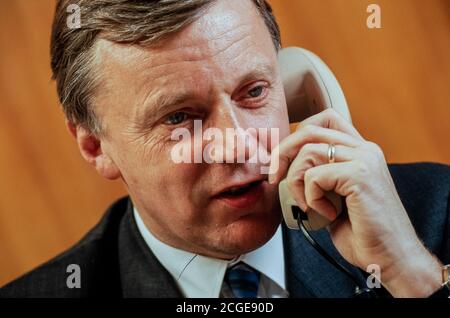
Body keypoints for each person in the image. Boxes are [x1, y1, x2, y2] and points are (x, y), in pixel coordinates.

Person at [1, 0, 449, 298]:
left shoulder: (435, 214)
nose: (238, 144)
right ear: (96, 145)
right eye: (178, 117)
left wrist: (412, 276)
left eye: (254, 92)